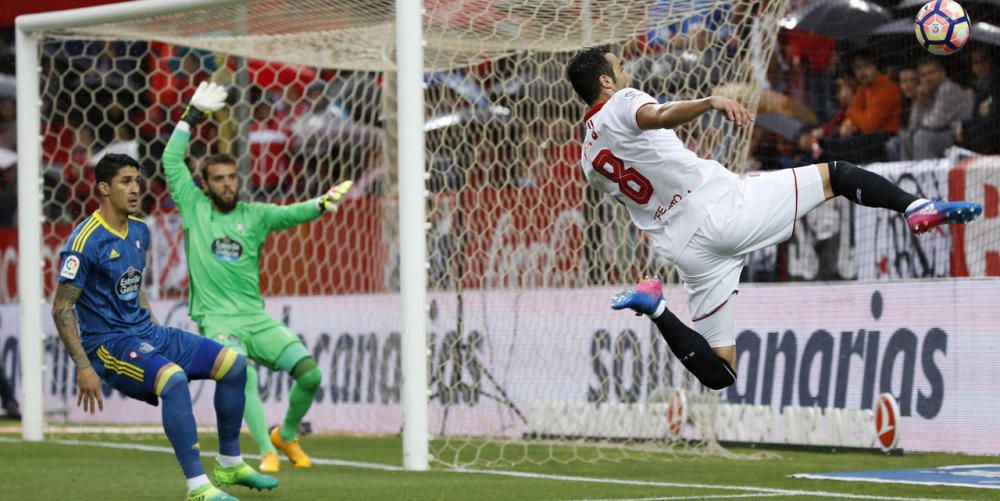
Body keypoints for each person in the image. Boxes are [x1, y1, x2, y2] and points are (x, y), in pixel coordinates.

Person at [565, 47, 983, 390]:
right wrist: (708, 102)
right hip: (722, 209)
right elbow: (655, 116)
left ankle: (656, 309)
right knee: (835, 175)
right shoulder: (623, 100)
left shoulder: (587, 159)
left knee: (720, 371)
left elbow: (635, 199)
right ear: (605, 81)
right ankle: (915, 208)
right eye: (618, 66)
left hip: (688, 250)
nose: (624, 70)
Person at [52, 153, 277, 500]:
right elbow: (61, 307)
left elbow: (133, 285)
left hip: (147, 334)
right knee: (172, 379)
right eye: (125, 181)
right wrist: (83, 365)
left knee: (234, 364)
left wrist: (154, 331)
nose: (135, 188)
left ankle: (230, 461)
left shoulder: (140, 230)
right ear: (103, 188)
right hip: (108, 345)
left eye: (137, 181)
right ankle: (198, 487)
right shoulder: (85, 242)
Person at [162, 82, 352, 473]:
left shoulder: (255, 215)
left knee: (310, 374)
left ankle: (287, 434)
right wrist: (191, 115)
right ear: (206, 183)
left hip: (255, 316)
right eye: (218, 179)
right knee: (240, 370)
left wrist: (321, 204)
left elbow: (290, 213)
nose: (227, 184)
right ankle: (266, 450)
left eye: (231, 177)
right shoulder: (194, 207)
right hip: (215, 320)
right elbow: (170, 159)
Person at [900, 57, 973, 160]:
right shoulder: (927, 92)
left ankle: (925, 173)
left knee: (922, 136)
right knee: (906, 137)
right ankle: (907, 172)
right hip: (940, 133)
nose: (927, 78)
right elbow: (913, 126)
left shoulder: (947, 89)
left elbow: (936, 123)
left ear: (942, 74)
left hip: (960, 134)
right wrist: (919, 102)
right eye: (923, 75)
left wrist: (921, 119)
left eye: (931, 73)